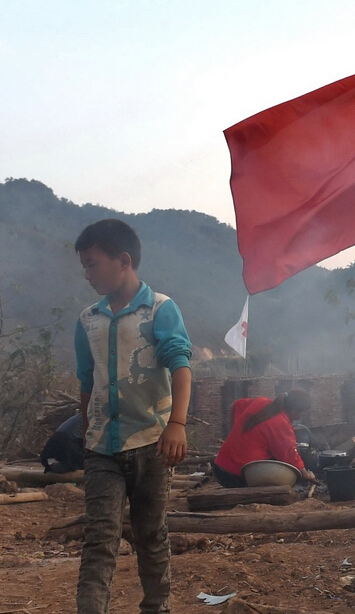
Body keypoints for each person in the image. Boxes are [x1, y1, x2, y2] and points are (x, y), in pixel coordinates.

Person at [74, 219, 192, 614]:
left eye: (92, 264)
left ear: (122, 261)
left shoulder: (160, 309)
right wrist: (84, 429)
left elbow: (180, 367)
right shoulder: (88, 320)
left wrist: (177, 424)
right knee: (99, 540)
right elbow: (87, 382)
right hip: (102, 449)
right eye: (85, 266)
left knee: (150, 535)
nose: (87, 274)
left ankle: (156, 607)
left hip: (152, 446)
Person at [212, 389, 316, 487]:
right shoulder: (282, 424)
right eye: (301, 414)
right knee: (282, 467)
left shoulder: (262, 402)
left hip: (218, 468)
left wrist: (234, 435)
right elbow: (290, 456)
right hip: (236, 476)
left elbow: (234, 406)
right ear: (294, 410)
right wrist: (305, 474)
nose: (300, 417)